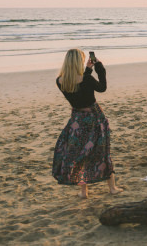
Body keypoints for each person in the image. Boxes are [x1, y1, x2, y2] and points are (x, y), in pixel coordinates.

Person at [52, 48, 122, 198]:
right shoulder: (87, 80)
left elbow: (79, 90)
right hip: (95, 118)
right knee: (102, 152)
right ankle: (112, 188)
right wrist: (99, 67)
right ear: (78, 62)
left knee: (80, 154)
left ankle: (83, 192)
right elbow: (101, 88)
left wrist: (87, 71)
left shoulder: (60, 81)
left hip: (77, 121)